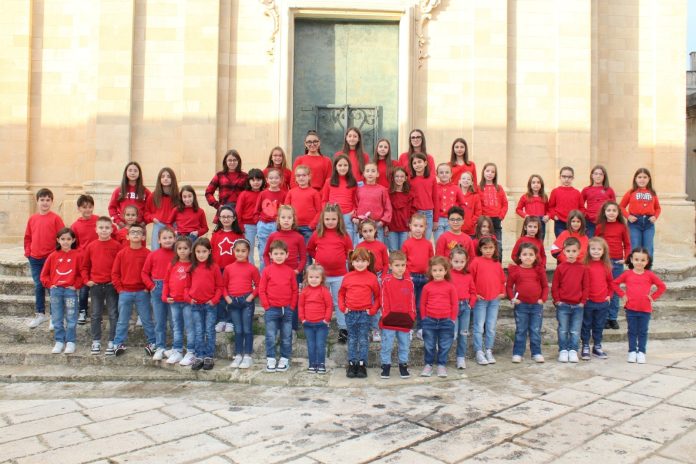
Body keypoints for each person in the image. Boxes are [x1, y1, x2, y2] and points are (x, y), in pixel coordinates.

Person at [307, 204, 353, 344]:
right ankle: (321, 325)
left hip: (340, 275)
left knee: (339, 302)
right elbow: (310, 248)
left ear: (339, 219)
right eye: (327, 219)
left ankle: (343, 329)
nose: (330, 222)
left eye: (333, 219)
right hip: (321, 276)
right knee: (321, 301)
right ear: (323, 219)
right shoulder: (318, 233)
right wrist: (319, 259)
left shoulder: (343, 235)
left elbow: (350, 252)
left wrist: (340, 259)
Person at [613, 247, 666, 364]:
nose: (639, 262)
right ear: (631, 260)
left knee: (643, 331)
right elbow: (614, 284)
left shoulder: (649, 275)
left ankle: (641, 352)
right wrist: (622, 295)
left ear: (647, 261)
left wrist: (653, 297)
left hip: (645, 309)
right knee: (632, 331)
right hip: (631, 309)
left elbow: (662, 286)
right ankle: (632, 351)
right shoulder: (627, 274)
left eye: (642, 260)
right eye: (636, 259)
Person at [111, 223, 156, 357]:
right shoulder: (121, 254)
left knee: (147, 319)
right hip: (125, 292)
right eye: (132, 232)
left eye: (139, 232)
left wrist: (148, 287)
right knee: (123, 320)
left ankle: (153, 343)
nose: (135, 234)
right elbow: (115, 273)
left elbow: (152, 272)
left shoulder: (148, 254)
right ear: (127, 236)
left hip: (142, 292)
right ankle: (118, 343)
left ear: (143, 237)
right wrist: (120, 289)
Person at [25, 188, 65, 328]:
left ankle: (54, 316)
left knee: (52, 287)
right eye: (42, 200)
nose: (45, 202)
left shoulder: (56, 218)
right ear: (37, 201)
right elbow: (28, 237)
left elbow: (63, 237)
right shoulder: (32, 219)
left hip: (51, 259)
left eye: (48, 200)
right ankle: (40, 314)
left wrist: (58, 255)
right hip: (35, 258)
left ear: (52, 202)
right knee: (38, 286)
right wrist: (28, 252)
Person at [339, 248, 381, 379]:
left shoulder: (372, 278)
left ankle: (362, 364)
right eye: (357, 261)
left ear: (368, 262)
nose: (360, 263)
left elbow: (378, 296)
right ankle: (352, 364)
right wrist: (343, 307)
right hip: (350, 313)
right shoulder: (347, 277)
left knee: (363, 339)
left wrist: (373, 310)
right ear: (352, 262)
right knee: (352, 338)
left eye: (363, 261)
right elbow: (341, 294)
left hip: (365, 314)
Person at [81, 216, 121, 355]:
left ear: (112, 229)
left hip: (111, 285)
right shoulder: (91, 246)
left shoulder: (117, 246)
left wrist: (117, 281)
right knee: (95, 314)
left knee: (113, 314)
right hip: (96, 286)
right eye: (101, 227)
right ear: (96, 229)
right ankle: (96, 341)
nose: (104, 230)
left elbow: (121, 266)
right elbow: (84, 266)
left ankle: (112, 341)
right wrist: (87, 280)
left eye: (107, 228)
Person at [40, 227, 83, 354]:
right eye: (63, 239)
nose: (65, 242)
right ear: (58, 240)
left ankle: (70, 342)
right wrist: (50, 284)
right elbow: (44, 275)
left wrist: (76, 285)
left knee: (71, 317)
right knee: (57, 318)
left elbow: (82, 274)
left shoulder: (77, 255)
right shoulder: (52, 256)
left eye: (68, 239)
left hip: (70, 292)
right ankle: (59, 341)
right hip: (56, 291)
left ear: (73, 240)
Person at [259, 240, 299, 373]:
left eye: (282, 253)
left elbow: (294, 290)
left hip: (287, 309)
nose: (279, 256)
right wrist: (266, 306)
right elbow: (262, 290)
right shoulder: (267, 271)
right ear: (270, 255)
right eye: (276, 253)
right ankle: (271, 358)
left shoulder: (290, 272)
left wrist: (292, 306)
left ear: (287, 255)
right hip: (271, 309)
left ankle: (284, 358)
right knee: (270, 335)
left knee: (286, 336)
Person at [507, 243, 548, 363]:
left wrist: (543, 299)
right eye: (524, 254)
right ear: (519, 256)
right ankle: (518, 353)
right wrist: (512, 298)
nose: (528, 257)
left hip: (536, 306)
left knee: (535, 330)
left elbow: (545, 286)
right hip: (521, 305)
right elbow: (509, 286)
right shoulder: (515, 270)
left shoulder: (539, 270)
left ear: (535, 256)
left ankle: (536, 353)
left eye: (531, 254)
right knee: (521, 330)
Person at [187, 237, 223, 371]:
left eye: (204, 251)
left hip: (210, 305)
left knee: (209, 330)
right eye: (198, 252)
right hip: (196, 305)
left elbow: (220, 286)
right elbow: (186, 286)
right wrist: (188, 298)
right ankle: (199, 356)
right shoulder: (191, 268)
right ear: (194, 253)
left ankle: (209, 356)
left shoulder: (214, 267)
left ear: (209, 252)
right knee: (199, 331)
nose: (201, 254)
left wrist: (214, 300)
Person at [551, 237, 589, 363]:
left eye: (574, 251)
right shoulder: (560, 267)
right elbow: (555, 285)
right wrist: (557, 300)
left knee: (575, 330)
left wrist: (582, 301)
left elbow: (586, 286)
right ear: (564, 252)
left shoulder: (582, 268)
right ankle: (563, 350)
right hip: (563, 305)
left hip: (578, 306)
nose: (571, 254)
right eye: (568, 251)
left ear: (579, 252)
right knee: (563, 329)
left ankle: (573, 350)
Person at [223, 239, 260, 369]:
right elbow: (223, 286)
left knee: (247, 329)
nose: (240, 253)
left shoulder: (252, 268)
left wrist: (250, 297)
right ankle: (238, 354)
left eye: (243, 251)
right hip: (233, 302)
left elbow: (259, 285)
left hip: (246, 302)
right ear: (233, 251)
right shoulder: (228, 268)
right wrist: (228, 299)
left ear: (248, 252)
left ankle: (247, 356)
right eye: (237, 250)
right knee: (238, 329)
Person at [419, 256, 458, 378]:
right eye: (435, 270)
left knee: (444, 344)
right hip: (429, 321)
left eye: (440, 270)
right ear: (431, 271)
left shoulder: (450, 287)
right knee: (429, 344)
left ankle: (441, 365)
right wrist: (424, 318)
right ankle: (428, 365)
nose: (438, 273)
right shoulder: (427, 287)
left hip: (446, 321)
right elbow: (422, 304)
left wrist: (452, 319)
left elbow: (454, 304)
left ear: (446, 271)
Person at [469, 237, 506, 365]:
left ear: (495, 249)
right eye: (485, 248)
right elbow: (470, 280)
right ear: (480, 249)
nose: (488, 250)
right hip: (481, 300)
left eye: (491, 248)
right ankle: (479, 351)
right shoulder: (476, 262)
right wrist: (474, 294)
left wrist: (502, 291)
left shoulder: (496, 263)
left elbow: (502, 280)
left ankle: (489, 350)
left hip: (494, 299)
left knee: (491, 327)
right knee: (479, 326)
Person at [595, 201, 631, 330]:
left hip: (617, 262)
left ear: (618, 213)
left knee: (615, 290)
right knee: (605, 289)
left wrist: (626, 258)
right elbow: (596, 244)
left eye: (614, 210)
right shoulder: (600, 226)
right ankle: (604, 318)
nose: (611, 213)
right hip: (604, 262)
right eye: (609, 210)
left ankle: (613, 318)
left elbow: (627, 244)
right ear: (604, 212)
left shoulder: (622, 227)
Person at [141, 227, 176, 360]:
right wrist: (151, 286)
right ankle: (160, 347)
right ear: (159, 240)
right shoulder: (153, 255)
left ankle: (176, 348)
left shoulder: (178, 255)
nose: (167, 240)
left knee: (174, 321)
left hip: (173, 290)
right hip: (158, 289)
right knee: (159, 321)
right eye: (164, 238)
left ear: (175, 239)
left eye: (170, 237)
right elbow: (144, 273)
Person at [379, 251, 415, 379]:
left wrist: (412, 315)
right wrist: (386, 315)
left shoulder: (409, 282)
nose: (400, 268)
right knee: (387, 344)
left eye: (403, 265)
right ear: (390, 266)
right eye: (397, 265)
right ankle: (386, 366)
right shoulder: (386, 281)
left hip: (404, 319)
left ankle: (403, 366)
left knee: (404, 344)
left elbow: (411, 300)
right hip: (389, 319)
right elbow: (383, 299)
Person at [162, 236, 195, 366]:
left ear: (190, 250)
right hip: (174, 301)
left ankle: (191, 351)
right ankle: (177, 350)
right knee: (177, 327)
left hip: (188, 303)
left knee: (190, 327)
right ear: (176, 250)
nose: (182, 251)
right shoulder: (172, 264)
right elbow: (166, 282)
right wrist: (165, 296)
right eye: (179, 248)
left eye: (185, 248)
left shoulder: (193, 265)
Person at [211, 205, 245, 333]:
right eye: (223, 217)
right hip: (219, 270)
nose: (226, 219)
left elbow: (244, 252)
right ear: (219, 218)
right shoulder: (216, 235)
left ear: (234, 218)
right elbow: (212, 252)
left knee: (232, 295)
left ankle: (231, 320)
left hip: (234, 271)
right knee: (220, 295)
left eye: (229, 217)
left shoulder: (239, 235)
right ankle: (221, 319)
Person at [581, 237, 614, 361]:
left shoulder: (606, 266)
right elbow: (581, 283)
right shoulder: (585, 265)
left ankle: (597, 346)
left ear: (604, 251)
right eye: (593, 249)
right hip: (588, 301)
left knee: (599, 325)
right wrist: (583, 296)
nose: (596, 251)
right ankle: (585, 346)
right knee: (586, 324)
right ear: (588, 250)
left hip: (602, 302)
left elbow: (611, 283)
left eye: (599, 249)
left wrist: (609, 295)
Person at [402, 213, 434, 338]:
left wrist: (430, 275)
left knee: (421, 304)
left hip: (425, 278)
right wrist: (406, 276)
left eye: (421, 226)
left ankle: (420, 328)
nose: (418, 229)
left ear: (425, 227)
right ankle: (409, 327)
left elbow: (431, 261)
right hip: (411, 277)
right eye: (415, 225)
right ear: (410, 226)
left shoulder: (428, 244)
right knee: (409, 304)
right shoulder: (407, 244)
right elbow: (403, 262)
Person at [619, 168, 660, 260]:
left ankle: (647, 267)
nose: (642, 179)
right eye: (639, 177)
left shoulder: (652, 193)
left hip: (649, 223)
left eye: (645, 177)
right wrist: (628, 216)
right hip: (635, 223)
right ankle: (634, 267)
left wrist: (655, 216)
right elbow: (621, 207)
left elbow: (658, 208)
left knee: (648, 248)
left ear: (649, 179)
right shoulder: (631, 192)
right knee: (635, 246)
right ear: (635, 179)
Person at [299, 264, 332, 374]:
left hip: (321, 324)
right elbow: (301, 306)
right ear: (306, 278)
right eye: (311, 277)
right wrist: (302, 319)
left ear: (322, 278)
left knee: (320, 345)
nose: (314, 280)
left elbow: (329, 306)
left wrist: (326, 319)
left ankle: (321, 364)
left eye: (317, 277)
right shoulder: (305, 291)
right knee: (311, 345)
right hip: (308, 324)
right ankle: (312, 364)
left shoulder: (324, 291)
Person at [70, 194, 98, 325]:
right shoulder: (75, 226)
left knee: (98, 287)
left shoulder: (99, 221)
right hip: (83, 261)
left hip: (98, 259)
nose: (88, 209)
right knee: (84, 287)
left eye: (90, 207)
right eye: (84, 207)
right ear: (79, 208)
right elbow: (73, 245)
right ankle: (82, 310)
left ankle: (97, 312)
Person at [449, 247, 476, 369]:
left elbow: (473, 292)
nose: (459, 264)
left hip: (465, 308)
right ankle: (443, 355)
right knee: (453, 334)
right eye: (456, 261)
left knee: (463, 334)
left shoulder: (468, 276)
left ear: (466, 262)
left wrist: (470, 304)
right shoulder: (448, 275)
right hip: (452, 308)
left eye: (462, 262)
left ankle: (461, 357)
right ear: (450, 260)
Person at [322, 155, 358, 245]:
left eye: (345, 165)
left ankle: (349, 254)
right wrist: (327, 211)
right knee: (334, 238)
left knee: (349, 238)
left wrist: (354, 212)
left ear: (349, 167)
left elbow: (355, 200)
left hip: (347, 215)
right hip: (333, 215)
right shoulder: (329, 181)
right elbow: (324, 200)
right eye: (340, 165)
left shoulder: (353, 182)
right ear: (335, 167)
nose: (342, 168)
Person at [353, 162, 392, 244]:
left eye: (373, 171)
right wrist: (354, 217)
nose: (370, 173)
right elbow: (355, 205)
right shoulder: (359, 190)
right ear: (364, 174)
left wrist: (383, 221)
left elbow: (388, 207)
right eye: (367, 171)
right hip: (362, 224)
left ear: (377, 174)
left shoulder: (382, 190)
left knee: (377, 247)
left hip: (377, 225)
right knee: (363, 248)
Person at [256, 168, 286, 271]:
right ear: (267, 180)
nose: (274, 180)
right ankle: (264, 275)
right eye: (271, 178)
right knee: (263, 252)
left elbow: (285, 210)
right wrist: (259, 222)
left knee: (277, 251)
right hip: (263, 225)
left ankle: (276, 273)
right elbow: (257, 210)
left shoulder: (284, 194)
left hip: (277, 225)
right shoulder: (263, 194)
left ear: (280, 180)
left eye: (276, 178)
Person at [235, 168, 265, 265]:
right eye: (253, 180)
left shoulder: (265, 193)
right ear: (249, 181)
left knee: (263, 249)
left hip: (263, 226)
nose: (256, 182)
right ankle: (251, 270)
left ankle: (263, 271)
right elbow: (238, 211)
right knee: (249, 249)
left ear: (263, 181)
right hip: (248, 226)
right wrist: (241, 227)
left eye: (258, 180)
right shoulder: (244, 194)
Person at [285, 164, 321, 245]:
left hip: (308, 228)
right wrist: (289, 224)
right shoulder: (291, 192)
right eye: (298, 176)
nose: (301, 178)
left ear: (309, 177)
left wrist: (312, 225)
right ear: (295, 178)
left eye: (304, 175)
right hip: (293, 227)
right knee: (294, 249)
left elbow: (319, 211)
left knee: (307, 250)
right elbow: (286, 209)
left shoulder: (314, 192)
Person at [145, 167, 180, 250]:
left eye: (168, 176)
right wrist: (153, 218)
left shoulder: (178, 196)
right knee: (155, 248)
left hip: (173, 225)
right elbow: (146, 212)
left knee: (175, 249)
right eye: (163, 176)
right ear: (159, 179)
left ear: (173, 179)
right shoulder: (153, 196)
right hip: (159, 224)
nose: (165, 178)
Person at [108, 161, 151, 227]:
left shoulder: (146, 192)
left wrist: (144, 222)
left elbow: (151, 209)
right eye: (130, 170)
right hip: (123, 226)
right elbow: (111, 208)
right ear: (126, 173)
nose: (132, 173)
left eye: (135, 171)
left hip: (140, 226)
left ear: (139, 174)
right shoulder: (118, 191)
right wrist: (119, 222)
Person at [478, 162, 507, 259]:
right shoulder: (479, 188)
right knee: (483, 244)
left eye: (492, 172)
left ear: (495, 174)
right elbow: (477, 204)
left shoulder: (499, 188)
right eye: (487, 171)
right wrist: (481, 218)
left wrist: (501, 215)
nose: (490, 173)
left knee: (498, 245)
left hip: (496, 220)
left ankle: (498, 265)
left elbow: (505, 203)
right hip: (484, 221)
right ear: (483, 172)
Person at [410, 153, 439, 240]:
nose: (417, 165)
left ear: (425, 163)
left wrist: (435, 220)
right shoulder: (410, 180)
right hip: (415, 213)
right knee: (415, 240)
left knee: (426, 240)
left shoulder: (432, 179)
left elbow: (435, 199)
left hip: (428, 214)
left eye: (419, 162)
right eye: (414, 163)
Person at [434, 163, 466, 242]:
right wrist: (435, 220)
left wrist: (458, 218)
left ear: (451, 174)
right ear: (437, 174)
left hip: (452, 220)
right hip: (438, 220)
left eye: (447, 172)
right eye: (441, 172)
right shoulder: (434, 188)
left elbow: (462, 204)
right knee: (439, 242)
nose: (444, 174)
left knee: (451, 243)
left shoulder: (456, 188)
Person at [548, 166, 583, 238]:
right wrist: (554, 216)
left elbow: (581, 208)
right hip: (559, 222)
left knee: (573, 242)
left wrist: (578, 218)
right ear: (560, 177)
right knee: (561, 242)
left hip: (573, 222)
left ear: (573, 178)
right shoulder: (555, 191)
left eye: (569, 177)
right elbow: (550, 207)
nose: (566, 179)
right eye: (564, 176)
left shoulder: (577, 193)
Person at [581, 165, 615, 237]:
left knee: (605, 242)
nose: (598, 176)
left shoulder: (609, 190)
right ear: (592, 176)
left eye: (600, 174)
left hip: (605, 221)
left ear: (604, 176)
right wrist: (585, 214)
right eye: (596, 174)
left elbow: (614, 207)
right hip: (590, 222)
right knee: (591, 242)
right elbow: (580, 205)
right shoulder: (586, 190)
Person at [385, 167, 414, 251]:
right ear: (393, 178)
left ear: (405, 178)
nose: (399, 179)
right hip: (391, 228)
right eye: (397, 176)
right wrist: (386, 225)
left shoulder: (409, 194)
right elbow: (386, 210)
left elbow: (411, 212)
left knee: (403, 252)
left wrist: (410, 228)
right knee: (393, 252)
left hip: (405, 228)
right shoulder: (388, 193)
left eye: (402, 176)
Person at [515, 174, 549, 241]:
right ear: (530, 185)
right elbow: (518, 209)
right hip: (530, 221)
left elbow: (548, 210)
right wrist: (525, 215)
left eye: (538, 182)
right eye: (533, 182)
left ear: (541, 185)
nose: (536, 184)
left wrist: (548, 216)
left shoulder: (544, 197)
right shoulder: (525, 197)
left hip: (541, 222)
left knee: (540, 241)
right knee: (528, 241)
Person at [459, 171, 481, 237]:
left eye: (468, 179)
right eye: (463, 178)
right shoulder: (456, 195)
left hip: (471, 231)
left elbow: (478, 212)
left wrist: (470, 223)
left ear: (471, 183)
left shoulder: (475, 196)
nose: (466, 180)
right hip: (457, 230)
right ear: (459, 181)